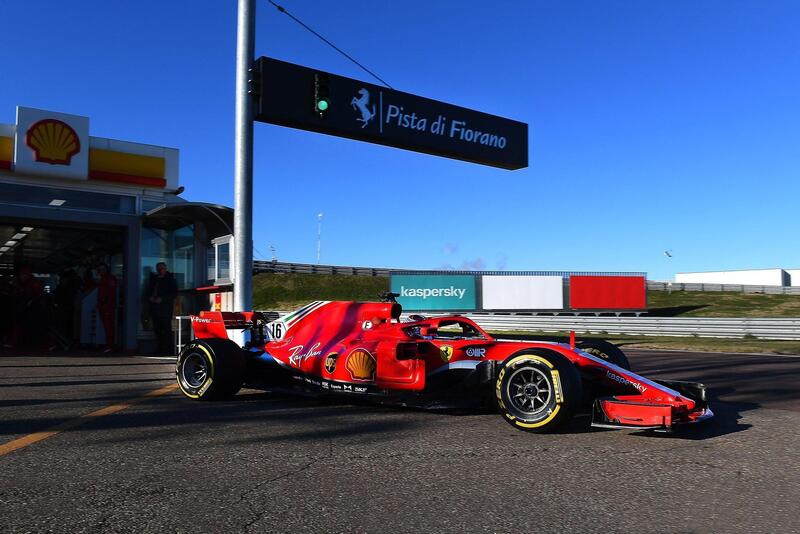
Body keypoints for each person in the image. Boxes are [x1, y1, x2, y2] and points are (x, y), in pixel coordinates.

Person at [148, 262, 177, 354]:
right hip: (155, 308)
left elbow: (174, 293)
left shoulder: (170, 279)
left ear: (165, 269)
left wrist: (162, 299)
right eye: (159, 269)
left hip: (165, 309)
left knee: (166, 330)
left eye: (162, 269)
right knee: (157, 330)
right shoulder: (154, 279)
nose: (161, 271)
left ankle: (168, 350)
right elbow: (148, 291)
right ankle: (160, 349)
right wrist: (150, 297)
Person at [96, 263, 118, 353]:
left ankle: (110, 345)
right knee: (107, 326)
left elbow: (110, 293)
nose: (101, 271)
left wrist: (104, 303)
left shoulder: (108, 278)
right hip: (104, 305)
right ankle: (109, 345)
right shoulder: (105, 278)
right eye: (100, 269)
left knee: (108, 327)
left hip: (107, 306)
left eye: (102, 269)